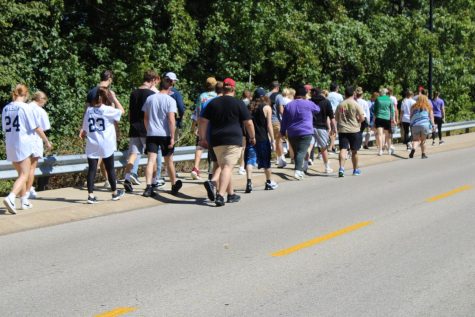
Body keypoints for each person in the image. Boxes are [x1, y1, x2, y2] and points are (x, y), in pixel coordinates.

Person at [199, 77, 255, 207]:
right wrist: (252, 137)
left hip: (216, 139)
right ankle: (219, 195)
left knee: (224, 166)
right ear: (234, 89)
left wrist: (202, 138)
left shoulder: (213, 103)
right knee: (227, 167)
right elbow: (249, 123)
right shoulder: (239, 103)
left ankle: (231, 194)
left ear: (223, 88)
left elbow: (202, 121)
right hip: (233, 139)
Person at [2, 84, 52, 214]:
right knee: (25, 174)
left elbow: (4, 128)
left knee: (21, 175)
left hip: (10, 143)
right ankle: (11, 197)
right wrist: (46, 141)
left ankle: (24, 201)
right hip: (23, 143)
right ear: (26, 95)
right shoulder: (25, 107)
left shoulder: (6, 108)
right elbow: (36, 127)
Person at [81, 87, 125, 203]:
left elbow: (85, 129)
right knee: (110, 168)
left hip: (92, 142)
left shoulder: (89, 111)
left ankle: (90, 195)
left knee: (92, 169)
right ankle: (114, 193)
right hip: (106, 143)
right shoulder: (107, 110)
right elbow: (122, 111)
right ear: (102, 98)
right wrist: (114, 98)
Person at [142, 77, 182, 197]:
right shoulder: (170, 100)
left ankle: (148, 187)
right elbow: (171, 119)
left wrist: (148, 129)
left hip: (152, 133)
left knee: (150, 161)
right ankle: (174, 185)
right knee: (169, 161)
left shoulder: (150, 98)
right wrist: (172, 137)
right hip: (165, 134)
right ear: (169, 87)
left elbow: (145, 117)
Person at [122, 70, 160, 193]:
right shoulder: (151, 94)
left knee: (133, 154)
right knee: (152, 156)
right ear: (153, 80)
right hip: (146, 128)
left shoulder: (133, 93)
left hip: (134, 127)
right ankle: (153, 181)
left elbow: (130, 113)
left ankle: (127, 178)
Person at [84, 70, 124, 188]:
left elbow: (86, 109)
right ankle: (109, 184)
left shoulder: (92, 91)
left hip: (92, 127)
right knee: (105, 156)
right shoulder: (109, 92)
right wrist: (117, 129)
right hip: (107, 127)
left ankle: (106, 179)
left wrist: (84, 127)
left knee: (98, 154)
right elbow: (114, 110)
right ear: (110, 79)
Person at [280, 85, 320, 180]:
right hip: (306, 131)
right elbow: (318, 109)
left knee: (297, 152)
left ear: (295, 95)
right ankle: (298, 171)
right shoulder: (308, 103)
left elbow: (284, 120)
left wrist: (282, 132)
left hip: (292, 132)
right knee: (301, 152)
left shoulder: (289, 105)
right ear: (304, 95)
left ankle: (299, 169)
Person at [244, 88, 277, 193]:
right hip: (263, 138)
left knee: (250, 160)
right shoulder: (267, 107)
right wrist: (273, 140)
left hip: (251, 138)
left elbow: (246, 124)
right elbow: (269, 125)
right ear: (264, 96)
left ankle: (249, 182)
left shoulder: (248, 107)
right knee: (266, 161)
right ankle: (268, 182)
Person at [200, 81, 224, 202]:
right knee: (222, 163)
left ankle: (216, 190)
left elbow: (202, 120)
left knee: (215, 163)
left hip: (210, 136)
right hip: (222, 137)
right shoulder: (222, 102)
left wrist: (202, 137)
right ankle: (213, 183)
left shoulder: (207, 102)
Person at [335, 86, 366, 177]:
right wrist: (357, 121)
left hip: (343, 130)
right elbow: (362, 118)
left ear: (345, 94)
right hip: (354, 130)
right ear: (354, 94)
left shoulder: (340, 105)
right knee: (354, 151)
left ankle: (341, 168)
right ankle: (355, 169)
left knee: (343, 149)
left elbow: (336, 118)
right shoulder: (356, 104)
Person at [190, 77, 217, 180]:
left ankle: (195, 168)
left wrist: (194, 126)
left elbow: (197, 112)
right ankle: (211, 172)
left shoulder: (201, 96)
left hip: (202, 124)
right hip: (213, 125)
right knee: (212, 149)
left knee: (199, 146)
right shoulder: (216, 96)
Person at [26, 91, 51, 199]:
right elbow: (42, 128)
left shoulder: (25, 107)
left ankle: (25, 189)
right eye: (44, 101)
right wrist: (47, 141)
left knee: (24, 168)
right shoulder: (40, 111)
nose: (44, 104)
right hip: (35, 140)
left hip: (23, 140)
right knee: (32, 168)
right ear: (41, 99)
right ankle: (28, 191)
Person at [310, 88, 336, 173]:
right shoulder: (326, 102)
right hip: (321, 127)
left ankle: (305, 165)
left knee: (309, 146)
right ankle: (327, 167)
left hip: (310, 127)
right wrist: (333, 128)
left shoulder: (309, 101)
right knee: (323, 147)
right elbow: (331, 117)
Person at [409, 95, 435, 159]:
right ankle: (423, 154)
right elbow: (431, 117)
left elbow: (411, 117)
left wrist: (411, 124)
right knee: (423, 140)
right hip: (425, 125)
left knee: (416, 140)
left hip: (415, 125)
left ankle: (413, 149)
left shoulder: (413, 107)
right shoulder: (428, 107)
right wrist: (433, 125)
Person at [267, 81, 286, 168]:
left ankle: (273, 159)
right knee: (279, 141)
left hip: (266, 121)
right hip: (275, 121)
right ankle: (281, 160)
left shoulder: (266, 95)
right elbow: (281, 110)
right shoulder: (279, 96)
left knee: (269, 141)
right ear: (278, 87)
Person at [373, 88, 395, 156]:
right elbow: (392, 110)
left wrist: (374, 120)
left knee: (380, 134)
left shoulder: (378, 99)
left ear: (380, 93)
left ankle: (380, 150)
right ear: (386, 93)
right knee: (387, 135)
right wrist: (393, 119)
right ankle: (388, 150)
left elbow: (375, 110)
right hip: (387, 118)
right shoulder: (389, 99)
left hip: (379, 118)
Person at [164, 72, 185, 137]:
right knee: (170, 142)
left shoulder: (158, 92)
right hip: (172, 120)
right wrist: (180, 118)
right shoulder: (176, 93)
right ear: (173, 81)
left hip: (158, 122)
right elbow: (181, 108)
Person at [327, 82, 343, 153]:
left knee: (329, 129)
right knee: (334, 130)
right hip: (335, 114)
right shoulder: (339, 96)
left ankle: (332, 146)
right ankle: (330, 147)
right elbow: (342, 106)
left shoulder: (327, 95)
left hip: (327, 114)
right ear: (336, 88)